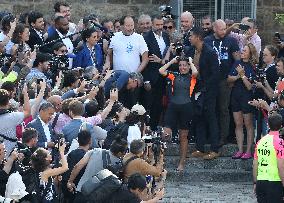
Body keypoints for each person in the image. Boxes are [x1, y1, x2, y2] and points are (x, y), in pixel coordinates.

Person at [204, 19, 240, 146]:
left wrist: (232, 76)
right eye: (221, 29)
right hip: (210, 81)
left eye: (225, 28)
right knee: (210, 108)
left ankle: (223, 137)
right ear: (214, 29)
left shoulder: (231, 41)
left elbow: (237, 60)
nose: (224, 31)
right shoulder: (207, 41)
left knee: (223, 109)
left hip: (224, 80)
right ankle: (211, 135)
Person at [159, 55, 198, 171]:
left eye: (184, 65)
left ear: (188, 66)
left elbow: (195, 72)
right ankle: (160, 161)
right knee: (165, 134)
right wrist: (172, 61)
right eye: (180, 65)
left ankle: (181, 163)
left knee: (183, 136)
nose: (182, 67)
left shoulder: (192, 77)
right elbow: (161, 71)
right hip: (172, 107)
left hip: (186, 108)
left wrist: (191, 62)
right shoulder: (173, 76)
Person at [190, 27, 220, 160]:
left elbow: (216, 74)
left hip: (209, 91)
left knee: (211, 118)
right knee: (199, 117)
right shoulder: (193, 51)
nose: (189, 38)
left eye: (191, 36)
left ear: (198, 37)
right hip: (197, 90)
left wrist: (205, 88)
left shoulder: (210, 52)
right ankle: (200, 148)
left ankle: (215, 149)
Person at [67, 136, 128, 202]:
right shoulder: (118, 165)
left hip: (82, 190)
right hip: (97, 198)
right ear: (119, 153)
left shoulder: (95, 151)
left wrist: (70, 181)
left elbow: (78, 166)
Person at [228, 43, 258, 159]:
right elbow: (229, 78)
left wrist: (242, 75)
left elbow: (250, 87)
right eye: (242, 50)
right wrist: (237, 76)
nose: (242, 52)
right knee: (238, 124)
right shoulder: (237, 63)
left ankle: (249, 150)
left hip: (247, 97)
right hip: (236, 95)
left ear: (250, 53)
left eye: (245, 51)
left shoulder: (253, 66)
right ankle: (240, 150)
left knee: (248, 124)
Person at [142, 15, 170, 130]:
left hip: (164, 76)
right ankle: (148, 129)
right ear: (152, 25)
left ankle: (156, 129)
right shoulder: (146, 38)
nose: (159, 27)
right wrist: (146, 79)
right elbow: (143, 60)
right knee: (150, 105)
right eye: (157, 25)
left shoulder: (166, 36)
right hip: (152, 77)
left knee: (160, 105)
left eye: (161, 25)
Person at [253, 113, 284, 203]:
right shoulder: (280, 142)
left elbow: (255, 164)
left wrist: (255, 183)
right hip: (275, 182)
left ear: (268, 125)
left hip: (260, 182)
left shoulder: (260, 141)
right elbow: (281, 166)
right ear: (281, 126)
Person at [62, 130, 92, 203]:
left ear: (78, 141)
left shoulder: (71, 153)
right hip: (76, 189)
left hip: (65, 186)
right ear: (90, 141)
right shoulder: (88, 157)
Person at [0, 85, 31, 156]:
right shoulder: (13, 117)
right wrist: (25, 93)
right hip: (8, 157)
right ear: (8, 103)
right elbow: (28, 112)